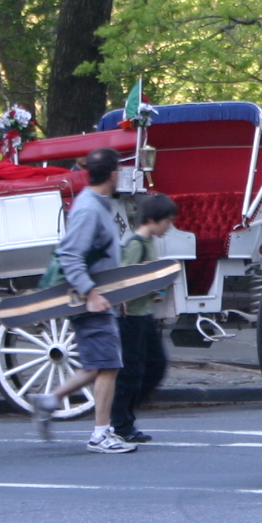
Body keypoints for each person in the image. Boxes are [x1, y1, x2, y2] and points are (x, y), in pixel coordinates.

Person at [44, 148, 136, 453]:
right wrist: (91, 293)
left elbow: (103, 255)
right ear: (113, 174)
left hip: (100, 298)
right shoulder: (89, 209)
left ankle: (48, 401)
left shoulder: (97, 204)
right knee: (108, 365)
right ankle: (100, 434)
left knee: (99, 364)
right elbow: (71, 256)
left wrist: (117, 294)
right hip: (89, 301)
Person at [114, 193, 177, 444]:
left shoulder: (149, 243)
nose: (169, 227)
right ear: (152, 219)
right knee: (131, 371)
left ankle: (125, 413)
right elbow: (124, 280)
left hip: (144, 314)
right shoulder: (136, 245)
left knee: (155, 364)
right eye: (167, 221)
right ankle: (121, 423)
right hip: (131, 316)